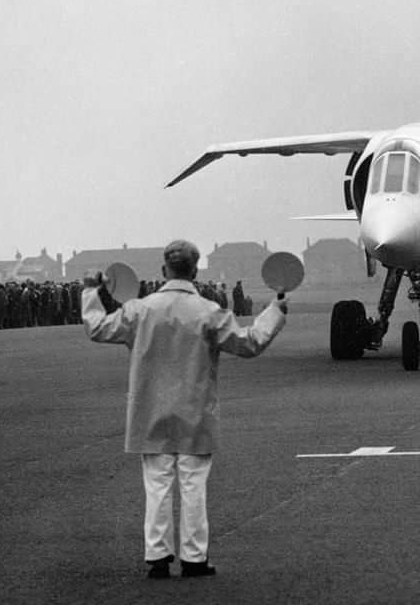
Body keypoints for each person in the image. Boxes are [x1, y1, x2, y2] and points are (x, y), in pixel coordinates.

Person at [81, 240, 288, 580]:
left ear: (164, 271)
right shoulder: (207, 311)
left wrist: (91, 291)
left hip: (149, 411)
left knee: (157, 484)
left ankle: (158, 556)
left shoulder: (140, 309)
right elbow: (249, 343)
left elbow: (98, 328)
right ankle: (194, 558)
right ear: (194, 270)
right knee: (193, 485)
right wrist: (275, 311)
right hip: (194, 410)